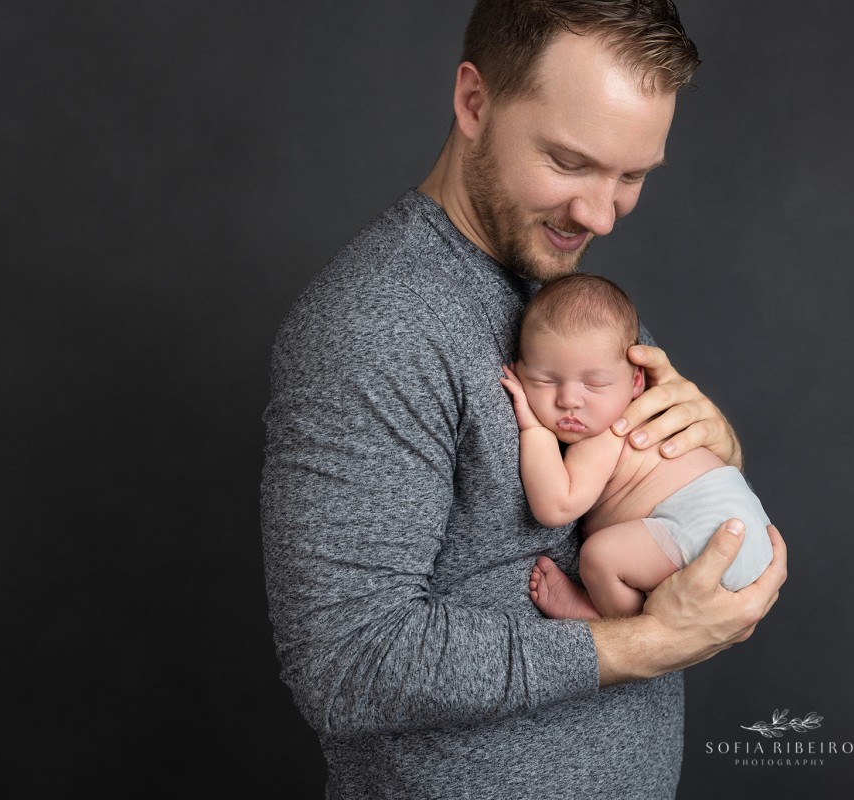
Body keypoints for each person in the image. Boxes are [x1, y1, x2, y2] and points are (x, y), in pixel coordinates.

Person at [260, 2, 787, 797]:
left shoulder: (573, 302)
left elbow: (645, 508)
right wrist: (643, 644)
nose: (601, 215)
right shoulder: (376, 326)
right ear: (475, 102)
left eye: (633, 176)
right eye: (571, 163)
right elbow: (349, 666)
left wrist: (719, 462)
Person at [500, 273, 773, 620]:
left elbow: (555, 506)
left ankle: (607, 618)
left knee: (600, 557)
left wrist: (533, 428)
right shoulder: (631, 402)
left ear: (636, 383)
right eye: (545, 380)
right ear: (520, 370)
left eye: (595, 384)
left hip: (710, 528)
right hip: (745, 524)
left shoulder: (607, 434)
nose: (568, 400)